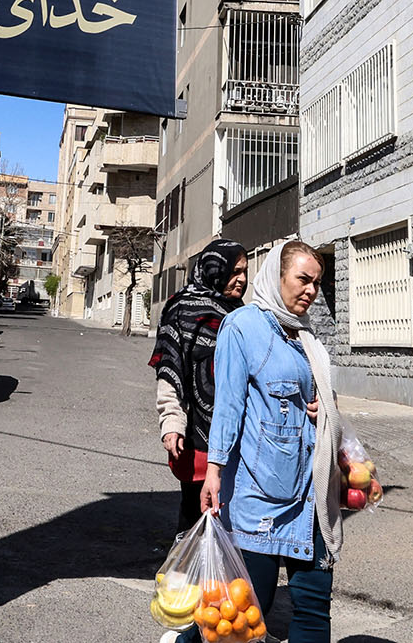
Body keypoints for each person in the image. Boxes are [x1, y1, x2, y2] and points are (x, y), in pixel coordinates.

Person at [199, 241, 342, 643]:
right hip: (259, 495)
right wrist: (214, 471)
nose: (311, 290)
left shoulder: (306, 336)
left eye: (317, 282)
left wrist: (322, 408)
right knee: (244, 612)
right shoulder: (243, 326)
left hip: (310, 492)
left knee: (314, 603)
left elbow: (318, 396)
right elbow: (227, 406)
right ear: (276, 276)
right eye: (302, 279)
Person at [149, 239, 248, 533]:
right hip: (196, 433)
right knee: (195, 513)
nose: (242, 278)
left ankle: (221, 575)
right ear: (215, 270)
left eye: (245, 271)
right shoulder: (182, 309)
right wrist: (171, 422)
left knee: (229, 514)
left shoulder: (241, 313)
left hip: (236, 431)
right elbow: (170, 370)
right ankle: (188, 574)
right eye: (235, 271)